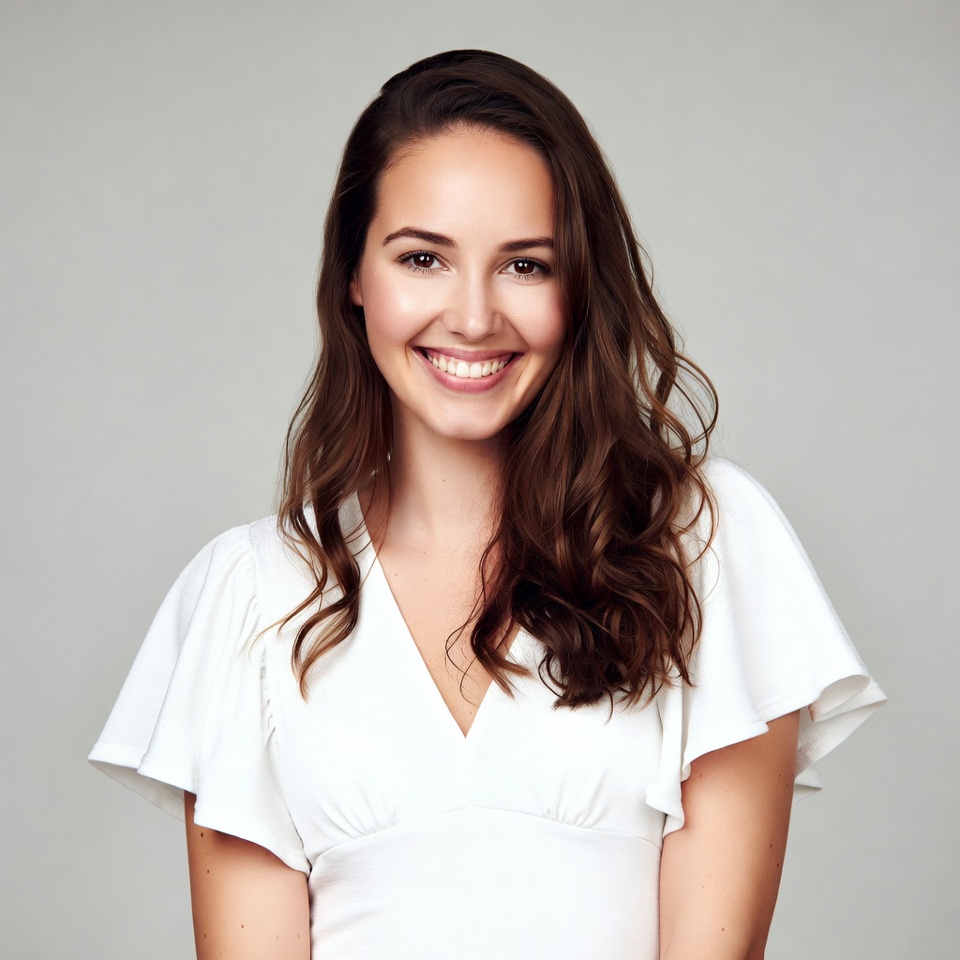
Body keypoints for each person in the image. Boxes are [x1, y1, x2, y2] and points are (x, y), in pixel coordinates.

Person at [89, 49, 885, 960]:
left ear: (579, 286)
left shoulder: (703, 545)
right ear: (354, 277)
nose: (472, 318)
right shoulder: (250, 595)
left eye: (525, 265)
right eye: (422, 257)